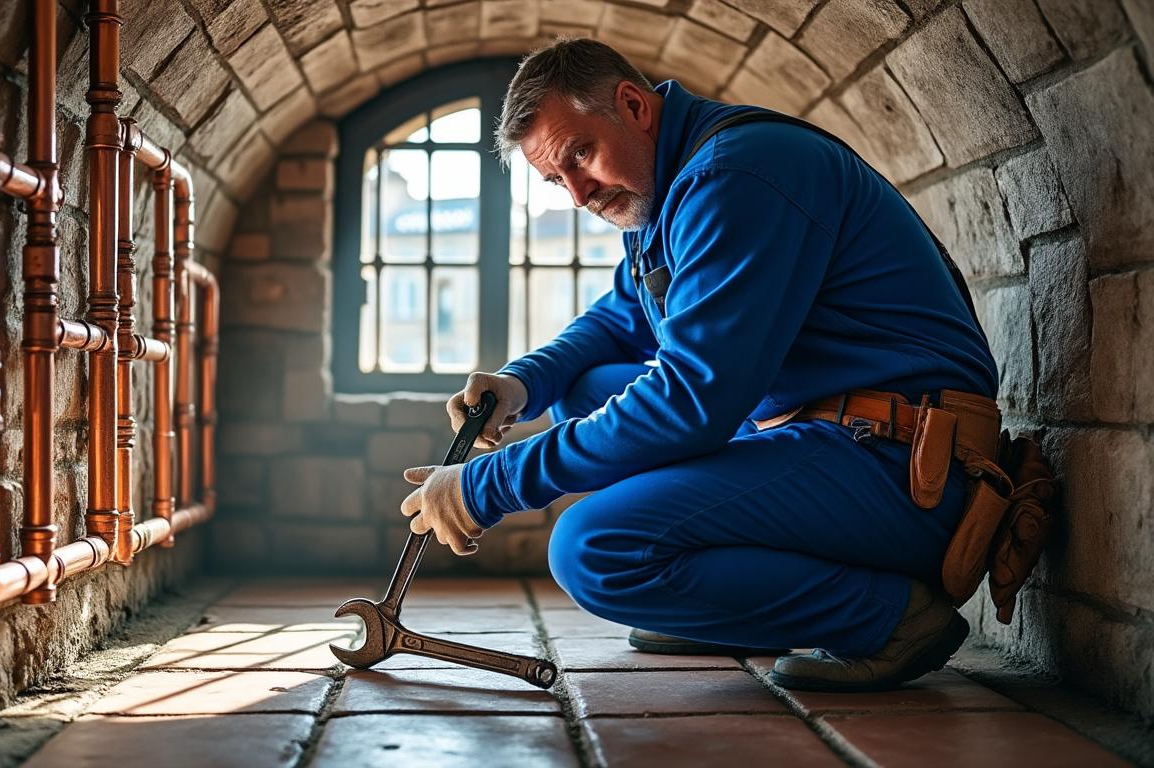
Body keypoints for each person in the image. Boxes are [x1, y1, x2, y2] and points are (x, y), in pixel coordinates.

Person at [397, 37, 1001, 692]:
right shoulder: (665, 188)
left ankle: (887, 618)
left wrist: (490, 484)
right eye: (555, 179)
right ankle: (726, 605)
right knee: (583, 389)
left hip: (903, 469)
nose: (576, 194)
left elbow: (690, 401)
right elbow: (618, 319)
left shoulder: (734, 177)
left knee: (593, 553)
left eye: (579, 155)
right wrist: (522, 382)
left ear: (633, 106)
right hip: (827, 433)